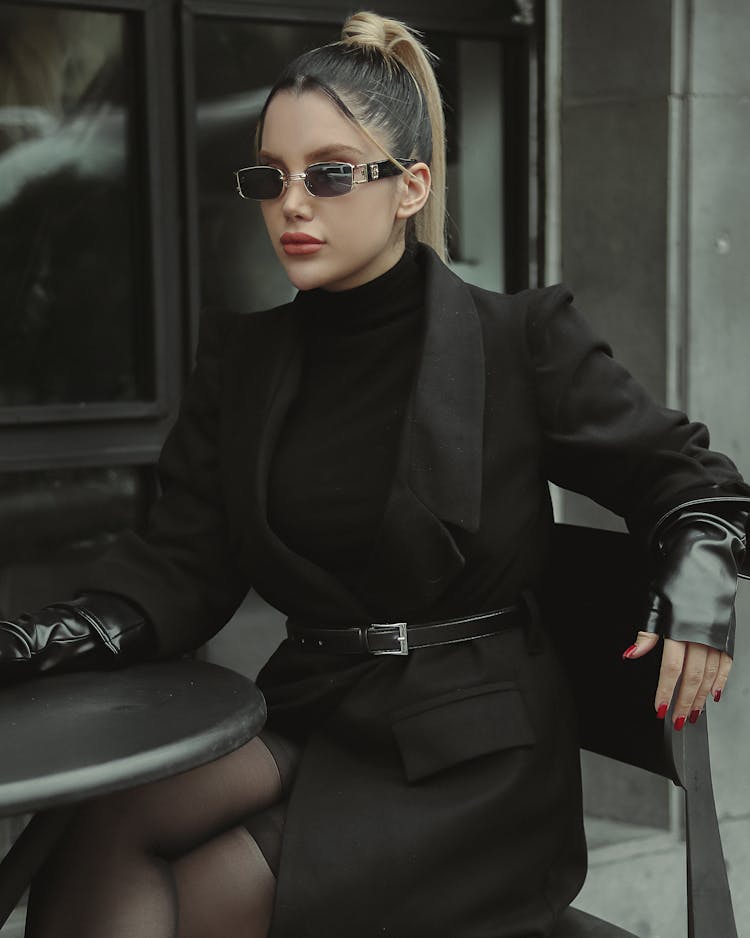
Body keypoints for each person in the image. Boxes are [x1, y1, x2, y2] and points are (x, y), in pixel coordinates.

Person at [1, 12, 749, 938]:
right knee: (97, 820)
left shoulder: (518, 341)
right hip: (321, 708)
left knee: (194, 908)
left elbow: (688, 477)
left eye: (330, 173)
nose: (293, 203)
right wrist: (58, 633)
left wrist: (704, 579)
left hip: (471, 761)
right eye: (270, 178)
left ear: (410, 187)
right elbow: (185, 557)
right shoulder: (246, 362)